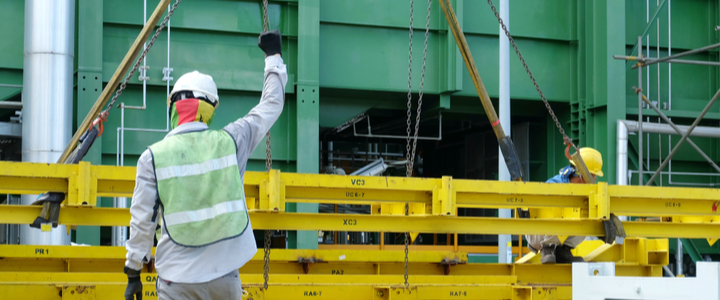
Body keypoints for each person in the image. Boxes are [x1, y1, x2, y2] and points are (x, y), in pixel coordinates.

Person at [123, 30, 287, 300]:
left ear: (172, 106)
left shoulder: (152, 157)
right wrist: (273, 57)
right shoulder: (232, 141)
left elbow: (143, 220)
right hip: (225, 279)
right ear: (210, 108)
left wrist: (133, 272)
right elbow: (271, 104)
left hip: (177, 280)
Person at [525, 147, 604, 264]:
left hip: (557, 237)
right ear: (583, 174)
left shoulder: (584, 193)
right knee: (561, 209)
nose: (595, 179)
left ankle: (563, 250)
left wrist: (600, 223)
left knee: (586, 212)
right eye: (593, 176)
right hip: (538, 234)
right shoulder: (556, 185)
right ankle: (548, 248)